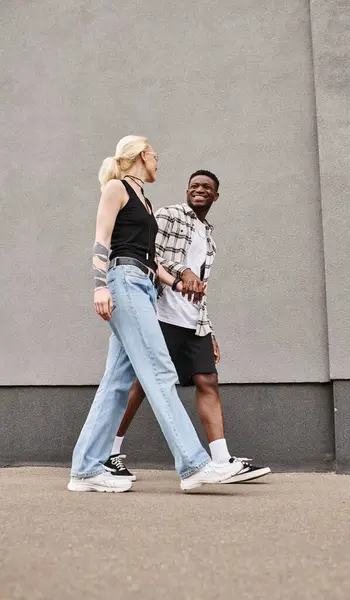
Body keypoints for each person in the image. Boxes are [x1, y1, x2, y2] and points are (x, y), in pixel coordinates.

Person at [68, 135, 243, 493]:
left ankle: (85, 470)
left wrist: (177, 283)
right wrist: (99, 286)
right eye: (156, 157)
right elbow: (102, 240)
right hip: (124, 282)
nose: (159, 164)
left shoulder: (145, 201)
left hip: (143, 284)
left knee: (116, 384)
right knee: (160, 370)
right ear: (143, 156)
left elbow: (152, 261)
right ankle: (194, 465)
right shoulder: (116, 188)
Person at [103, 169, 271, 484]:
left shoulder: (208, 237)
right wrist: (183, 271)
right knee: (140, 384)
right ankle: (108, 453)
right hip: (161, 314)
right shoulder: (169, 216)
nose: (199, 190)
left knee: (208, 380)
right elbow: (150, 253)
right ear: (186, 191)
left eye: (206, 187)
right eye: (194, 185)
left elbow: (200, 288)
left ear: (215, 196)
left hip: (193, 322)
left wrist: (209, 329)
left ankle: (222, 460)